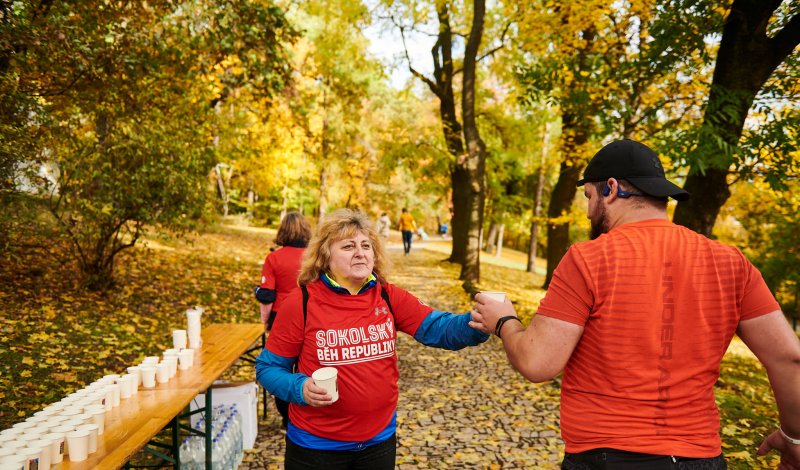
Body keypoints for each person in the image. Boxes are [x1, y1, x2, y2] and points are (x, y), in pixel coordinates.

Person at [470, 139, 800, 469]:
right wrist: (795, 437)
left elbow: (537, 361)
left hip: (607, 456)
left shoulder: (588, 258)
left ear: (611, 188)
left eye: (589, 197)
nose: (587, 211)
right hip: (702, 458)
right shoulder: (732, 262)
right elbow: (788, 358)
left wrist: (504, 321)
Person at [255, 208, 489, 469]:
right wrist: (299, 388)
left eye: (366, 245)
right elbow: (268, 368)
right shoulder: (301, 302)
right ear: (325, 255)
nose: (360, 252)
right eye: (348, 246)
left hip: (379, 443)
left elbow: (440, 328)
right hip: (316, 446)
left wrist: (478, 322)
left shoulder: (388, 296)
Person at [254, 211, 312, 428]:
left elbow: (267, 295)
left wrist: (265, 322)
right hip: (313, 315)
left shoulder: (274, 258)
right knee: (308, 363)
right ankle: (308, 408)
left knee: (281, 368)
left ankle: (288, 416)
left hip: (282, 318)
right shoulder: (314, 257)